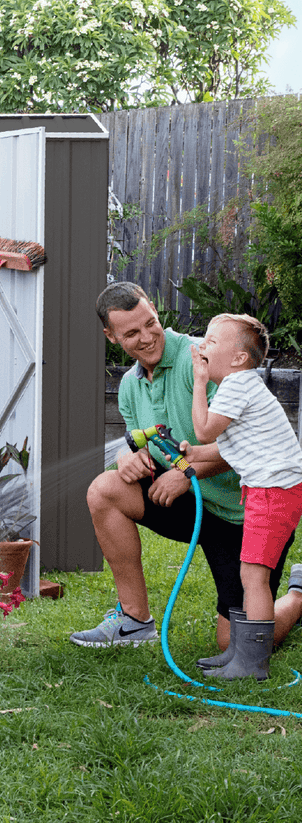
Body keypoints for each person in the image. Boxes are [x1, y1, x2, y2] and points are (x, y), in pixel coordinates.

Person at [69, 282, 302, 650]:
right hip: (192, 505)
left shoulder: (206, 359)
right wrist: (126, 457)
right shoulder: (130, 385)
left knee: (236, 644)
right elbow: (139, 439)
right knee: (106, 489)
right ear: (111, 336)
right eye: (131, 332)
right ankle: (133, 620)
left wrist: (182, 475)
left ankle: (298, 597)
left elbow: (251, 443)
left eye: (151, 323)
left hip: (243, 513)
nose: (147, 337)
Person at [185, 313, 302, 678]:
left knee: (254, 577)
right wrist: (185, 454)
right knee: (249, 573)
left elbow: (204, 432)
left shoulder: (236, 385)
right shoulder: (243, 387)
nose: (202, 347)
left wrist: (200, 382)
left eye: (212, 341)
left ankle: (252, 663)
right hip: (271, 491)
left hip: (273, 492)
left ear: (238, 358)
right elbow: (219, 446)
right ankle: (239, 652)